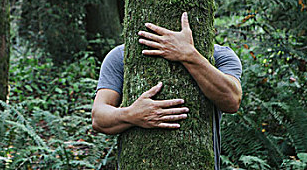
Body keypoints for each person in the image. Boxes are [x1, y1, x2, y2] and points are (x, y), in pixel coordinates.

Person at [92, 12, 242, 170]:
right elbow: (99, 118)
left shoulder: (221, 56)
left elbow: (232, 100)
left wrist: (189, 55)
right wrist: (131, 115)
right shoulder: (121, 57)